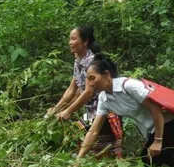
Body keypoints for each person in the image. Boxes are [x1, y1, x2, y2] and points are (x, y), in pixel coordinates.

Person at [78, 54, 174, 167]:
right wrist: (78, 160)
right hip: (152, 132)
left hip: (167, 125)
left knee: (151, 166)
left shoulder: (129, 86)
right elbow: (93, 131)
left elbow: (156, 109)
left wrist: (158, 141)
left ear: (106, 75)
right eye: (89, 80)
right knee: (153, 166)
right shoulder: (104, 99)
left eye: (93, 78)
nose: (91, 84)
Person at [47, 26, 122, 158]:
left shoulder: (92, 63)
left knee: (100, 151)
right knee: (75, 138)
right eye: (69, 39)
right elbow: (71, 91)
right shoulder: (78, 62)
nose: (70, 42)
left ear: (85, 41)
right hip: (90, 113)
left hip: (104, 111)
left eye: (74, 39)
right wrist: (56, 109)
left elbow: (88, 92)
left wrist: (68, 111)